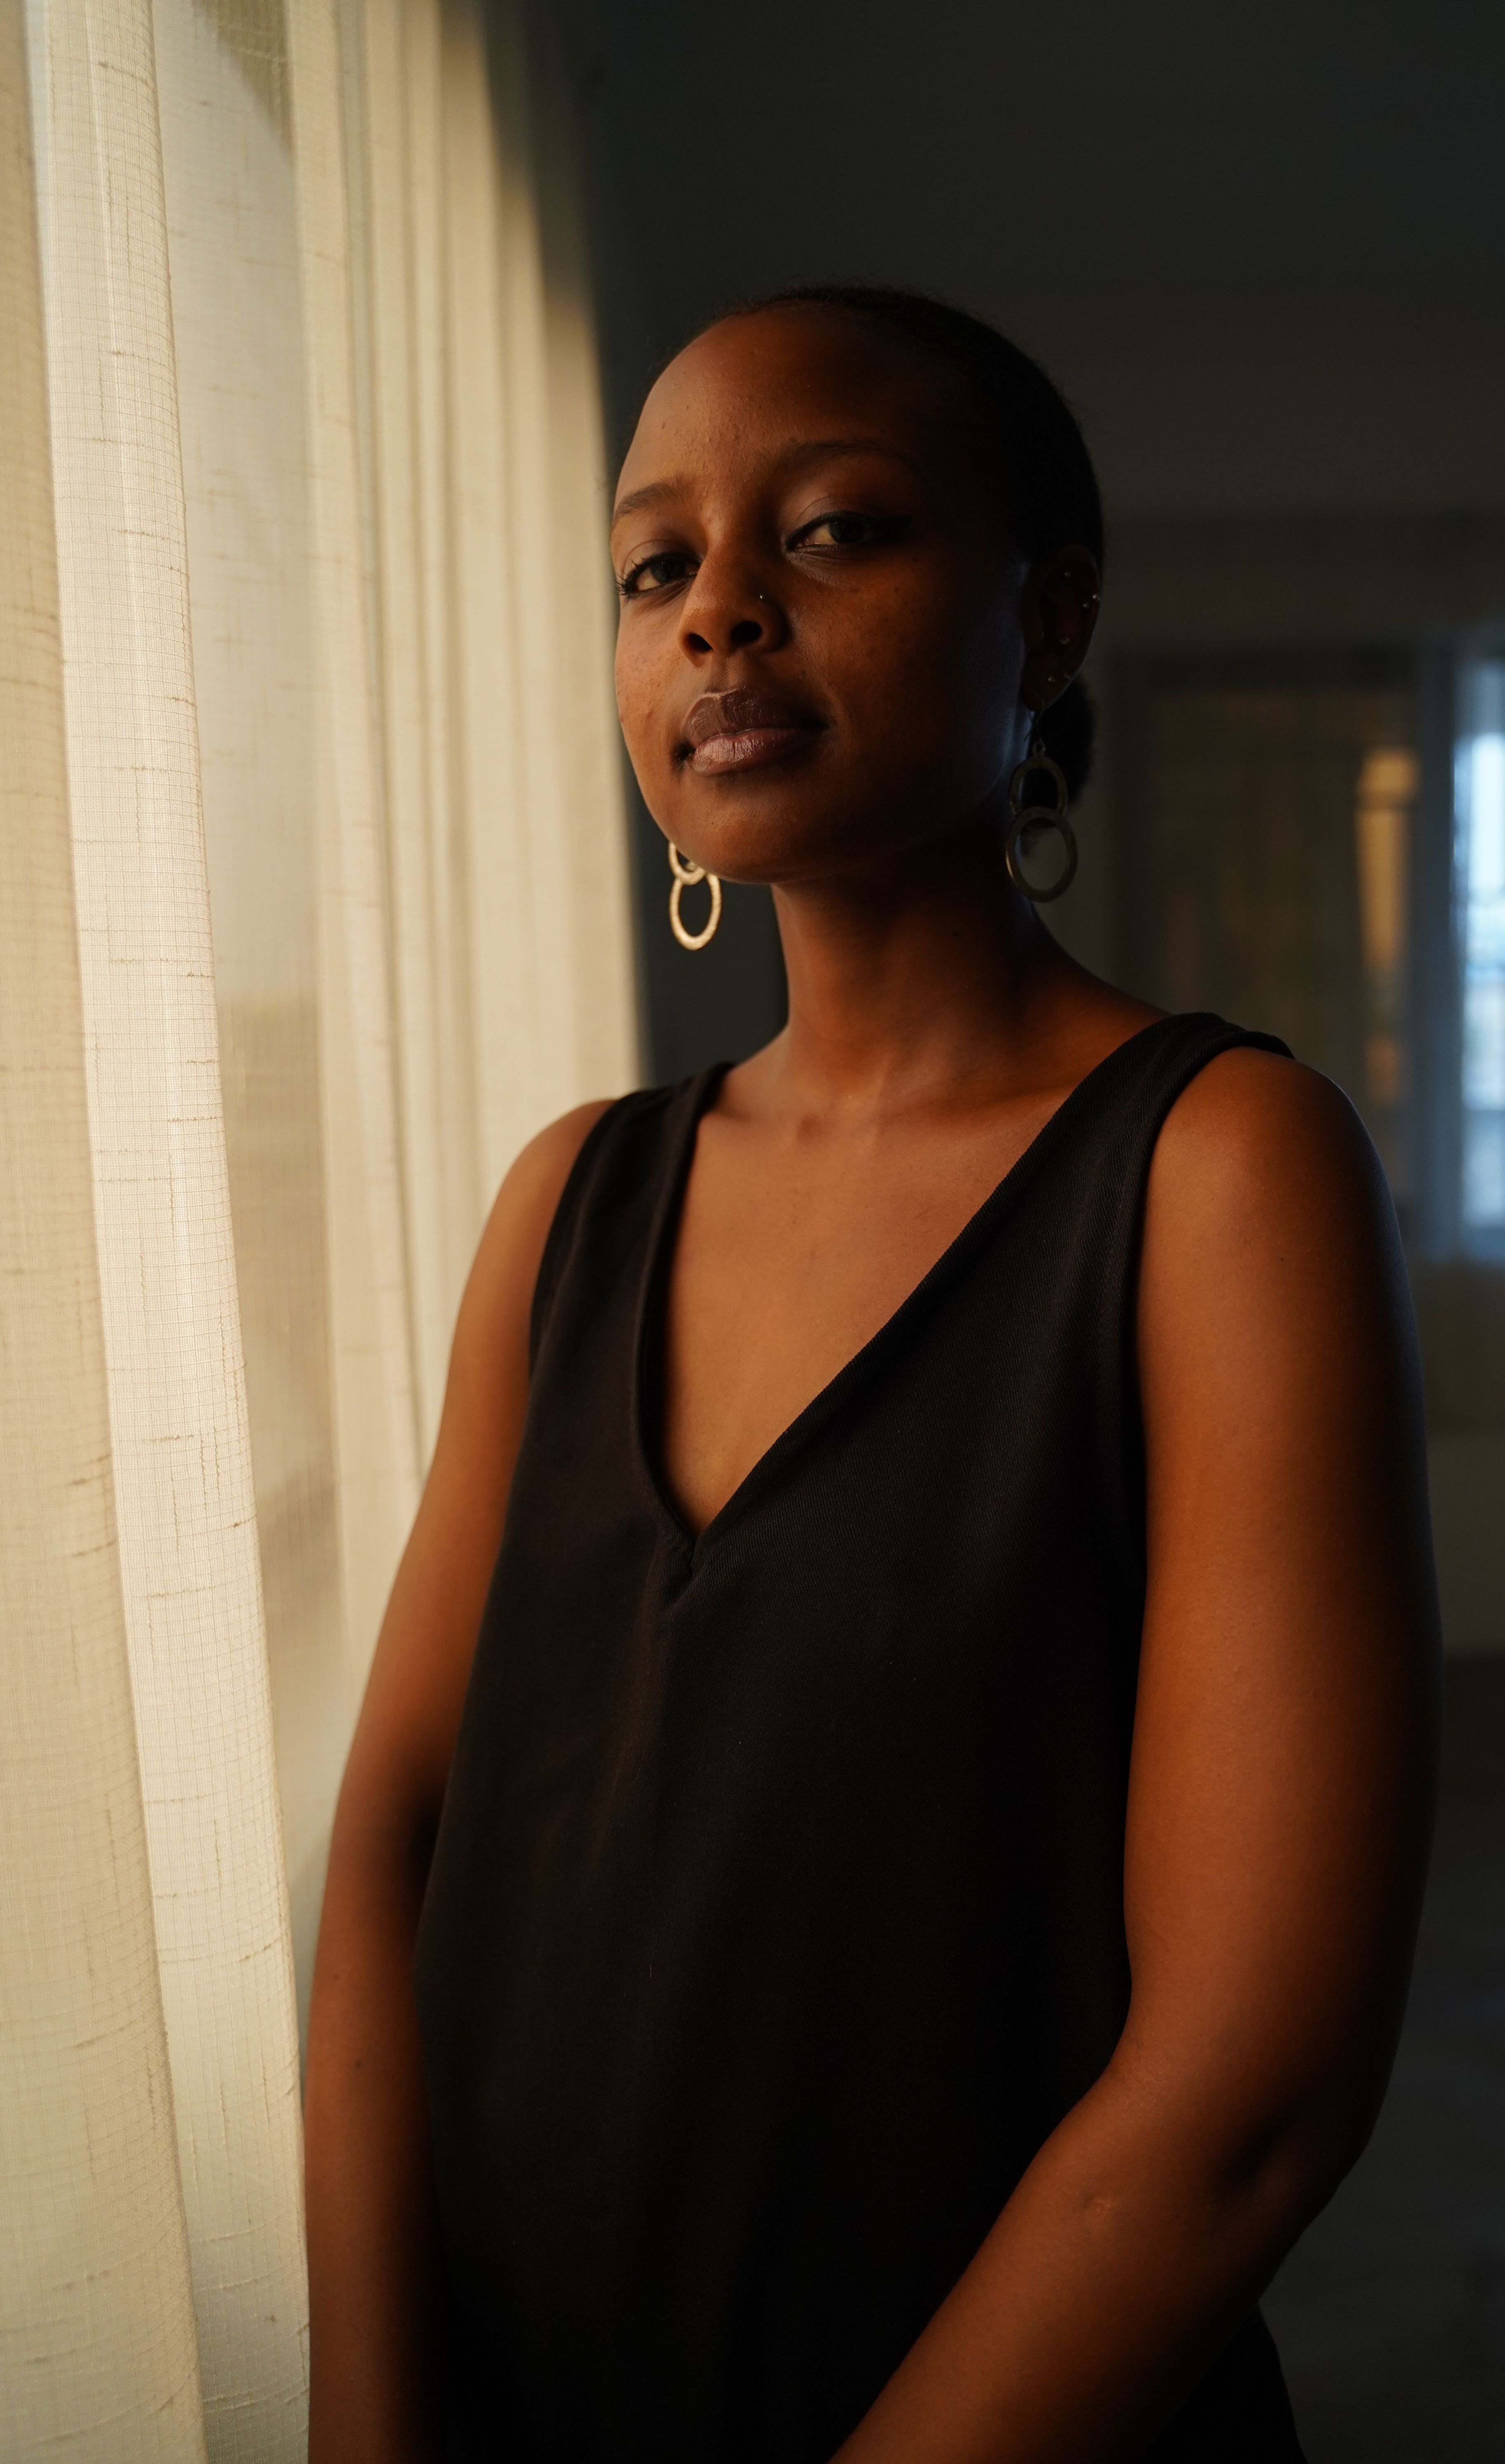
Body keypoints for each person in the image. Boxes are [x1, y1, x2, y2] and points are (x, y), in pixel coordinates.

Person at [304, 286, 1440, 2464]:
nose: (717, 610)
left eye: (832, 531)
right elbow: (391, 1849)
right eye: (655, 566)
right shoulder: (570, 1203)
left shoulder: (1218, 1173)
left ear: (1051, 620)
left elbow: (1256, 2089)